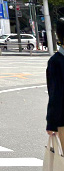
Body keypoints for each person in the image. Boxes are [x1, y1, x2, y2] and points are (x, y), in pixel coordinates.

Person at [46, 20, 64, 151]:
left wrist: (51, 123)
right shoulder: (56, 62)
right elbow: (55, 94)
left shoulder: (56, 61)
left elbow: (55, 94)